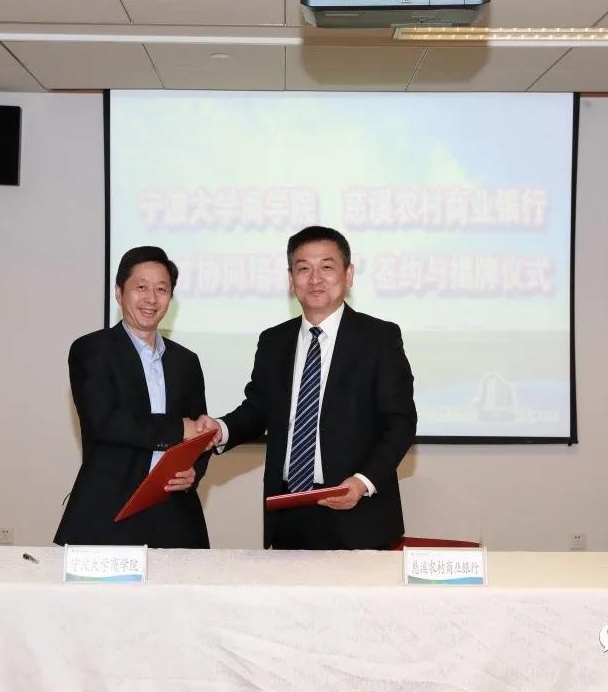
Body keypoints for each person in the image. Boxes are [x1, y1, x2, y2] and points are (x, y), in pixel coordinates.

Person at [201, 226, 416, 550]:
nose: (315, 278)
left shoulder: (378, 338)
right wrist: (220, 429)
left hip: (358, 512)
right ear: (291, 280)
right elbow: (257, 410)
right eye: (303, 269)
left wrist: (363, 482)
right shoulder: (274, 341)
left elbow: (400, 423)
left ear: (348, 275)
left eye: (327, 267)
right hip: (289, 510)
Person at [54, 246, 212, 548]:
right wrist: (179, 428)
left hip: (176, 518)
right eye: (141, 287)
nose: (151, 298)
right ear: (119, 292)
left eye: (161, 289)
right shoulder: (91, 350)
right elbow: (105, 422)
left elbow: (198, 434)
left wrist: (194, 471)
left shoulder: (186, 361)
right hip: (108, 517)